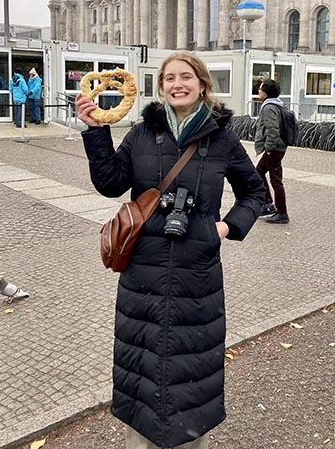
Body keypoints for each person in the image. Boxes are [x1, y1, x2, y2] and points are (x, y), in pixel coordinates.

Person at [75, 51, 265, 449]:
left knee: (191, 376)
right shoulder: (143, 133)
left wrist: (227, 227)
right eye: (169, 78)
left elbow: (254, 191)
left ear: (202, 83)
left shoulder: (222, 138)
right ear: (159, 87)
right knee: (142, 373)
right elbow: (110, 182)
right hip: (142, 272)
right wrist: (94, 132)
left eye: (186, 77)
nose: (177, 84)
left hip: (198, 276)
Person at [254, 79, 289, 224]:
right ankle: (267, 204)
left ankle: (282, 213)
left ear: (266, 93)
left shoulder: (269, 107)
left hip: (274, 148)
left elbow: (273, 130)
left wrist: (268, 148)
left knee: (276, 180)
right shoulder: (276, 104)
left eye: (261, 90)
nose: (258, 92)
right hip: (276, 147)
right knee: (259, 172)